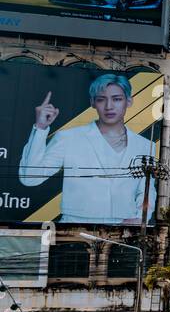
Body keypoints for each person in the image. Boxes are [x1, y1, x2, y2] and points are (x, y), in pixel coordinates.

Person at [18, 74, 156, 224]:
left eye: (117, 99)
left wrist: (141, 217)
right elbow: (29, 177)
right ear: (92, 102)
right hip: (75, 228)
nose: (109, 106)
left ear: (128, 101)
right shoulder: (68, 138)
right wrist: (40, 128)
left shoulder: (145, 145)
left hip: (123, 230)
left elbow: (147, 191)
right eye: (101, 99)